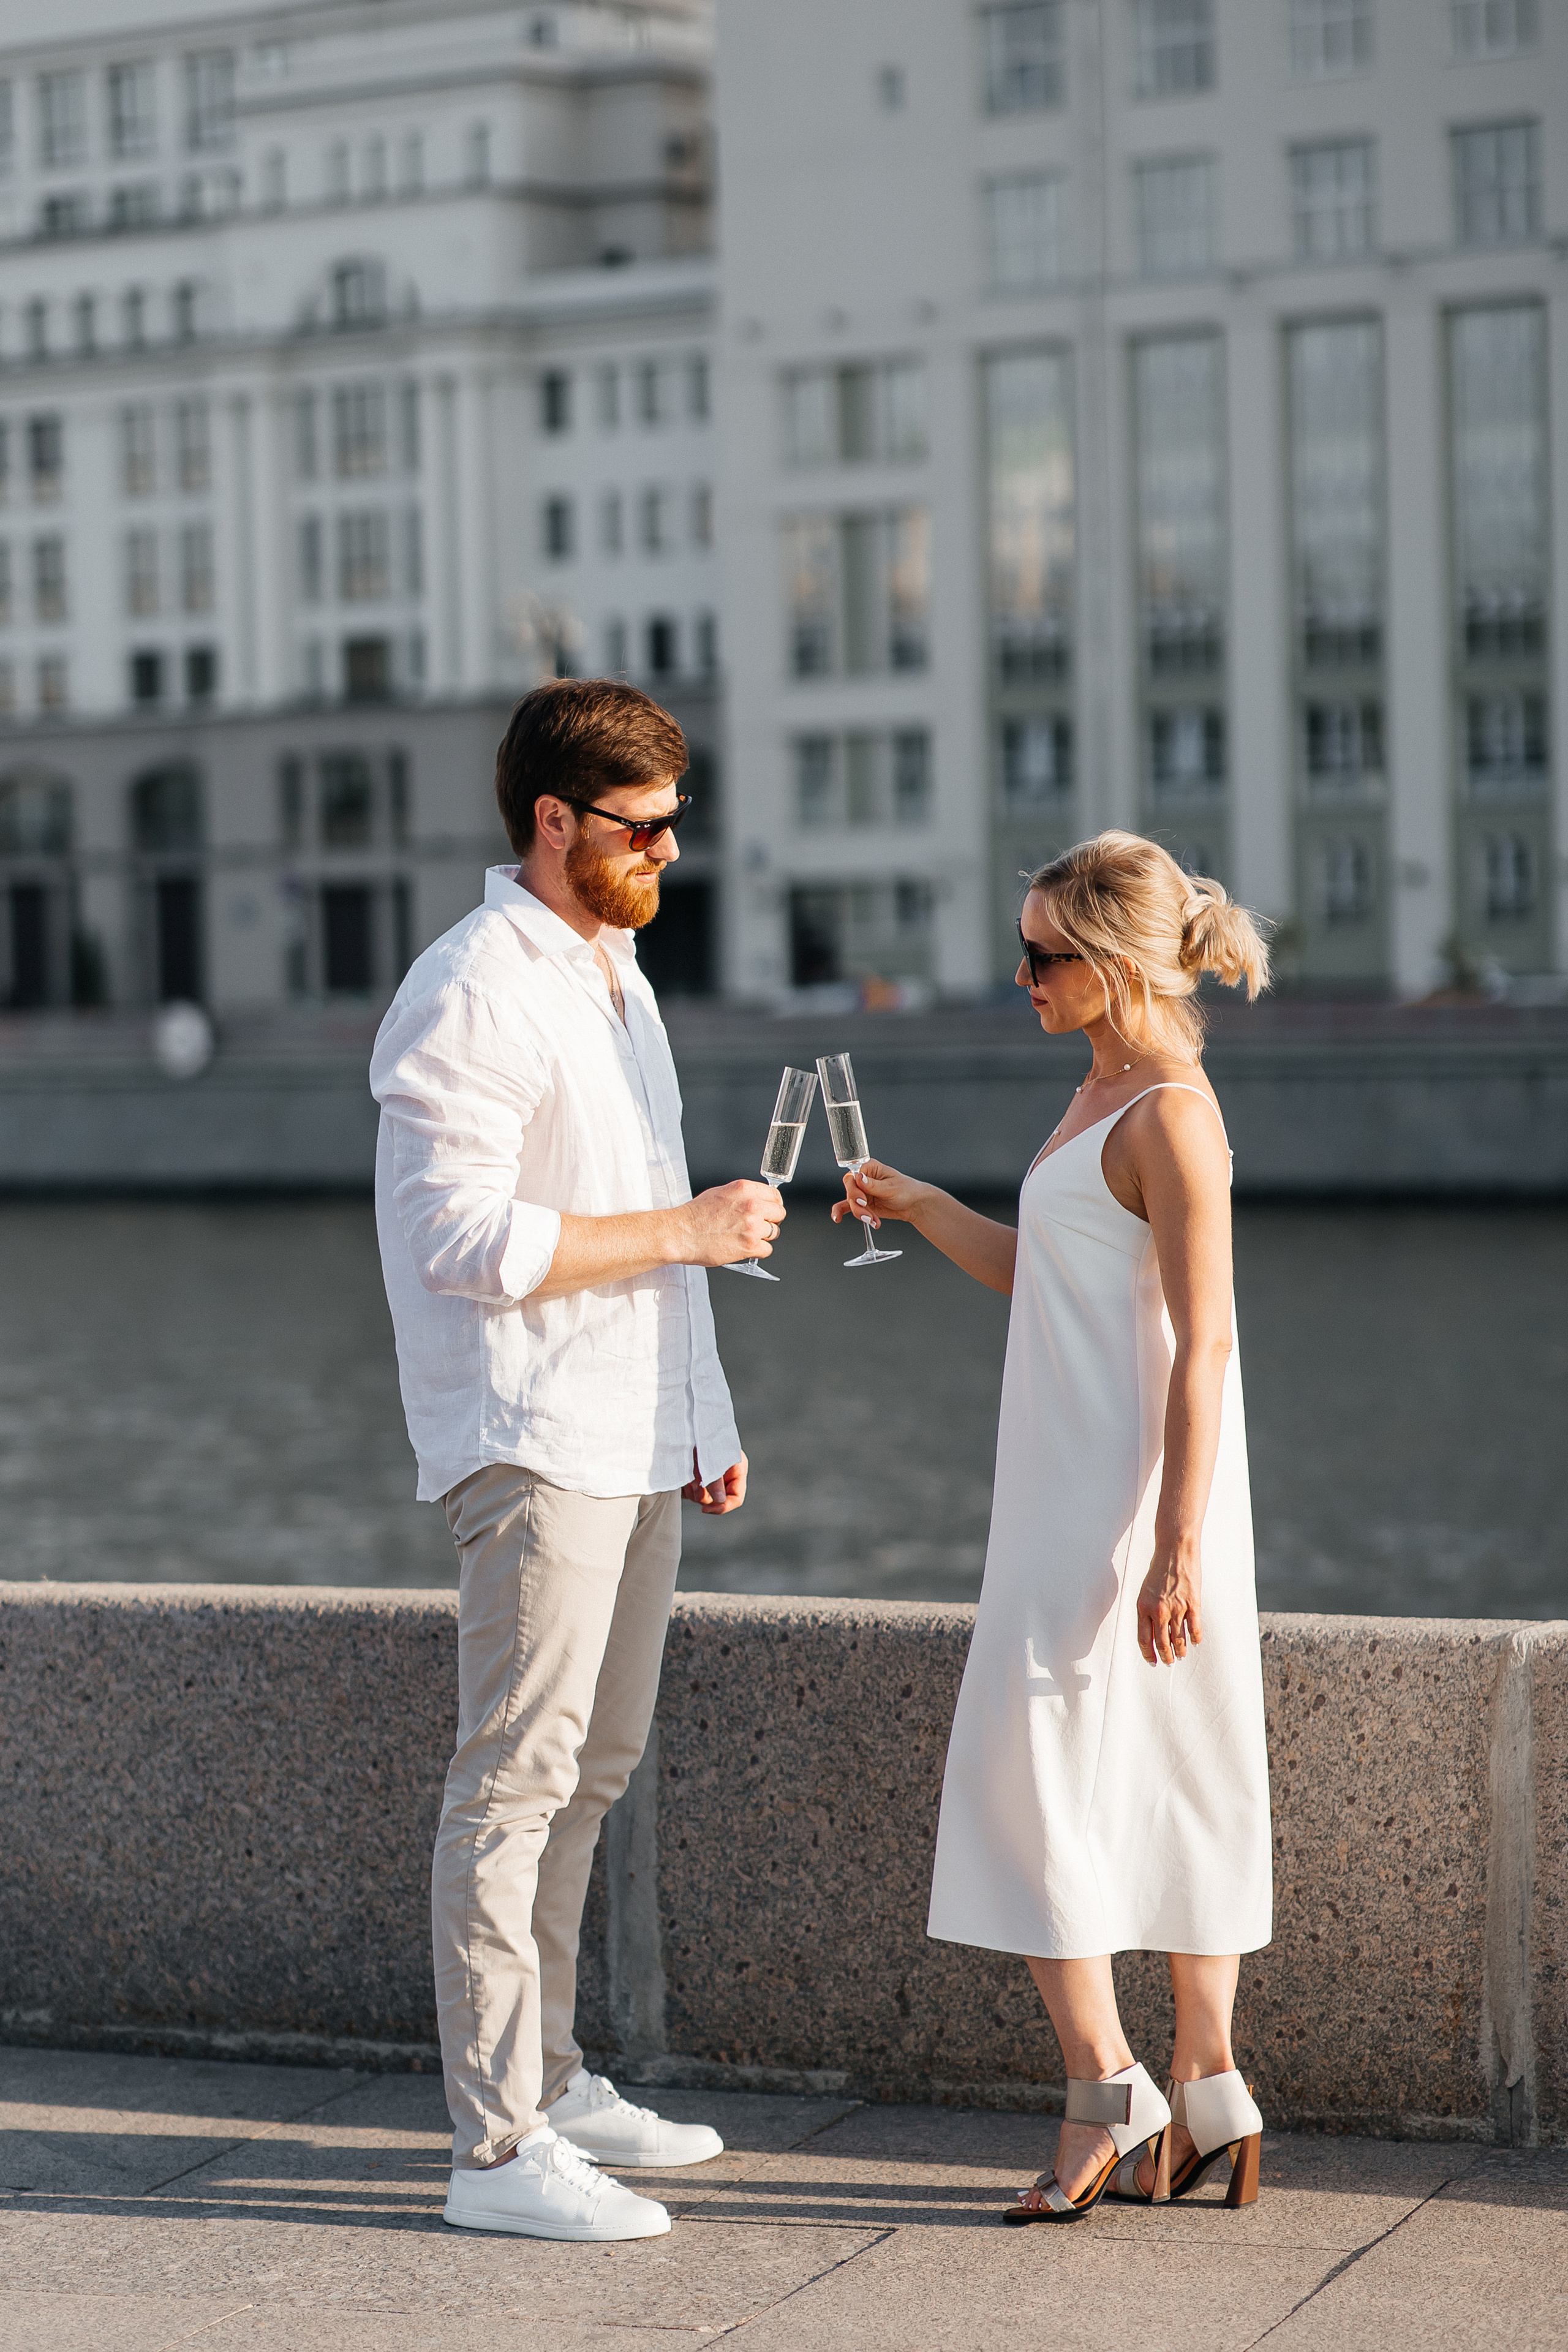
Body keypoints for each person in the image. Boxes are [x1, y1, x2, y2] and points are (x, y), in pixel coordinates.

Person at [370, 679, 785, 2242]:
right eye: (644, 828)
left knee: (590, 1774)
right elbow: (454, 1239)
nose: (670, 854)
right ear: (554, 823)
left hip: (629, 1431)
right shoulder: (471, 987)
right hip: (532, 1440)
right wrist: (686, 1234)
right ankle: (492, 2149)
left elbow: (649, 1218)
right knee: (513, 1783)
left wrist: (706, 1419)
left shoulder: (614, 975)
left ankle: (551, 2074)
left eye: (677, 824)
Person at [834, 831, 1273, 2223]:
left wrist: (1177, 1544)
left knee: (1046, 1772)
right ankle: (1205, 2095)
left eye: (1040, 956)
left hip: (1129, 1497)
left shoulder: (1170, 1114)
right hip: (1068, 1481)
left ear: (1111, 961)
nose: (1016, 976)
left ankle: (1111, 2092)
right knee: (1151, 1763)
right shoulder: (1096, 1090)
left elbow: (1205, 1346)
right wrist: (920, 1209)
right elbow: (1056, 1278)